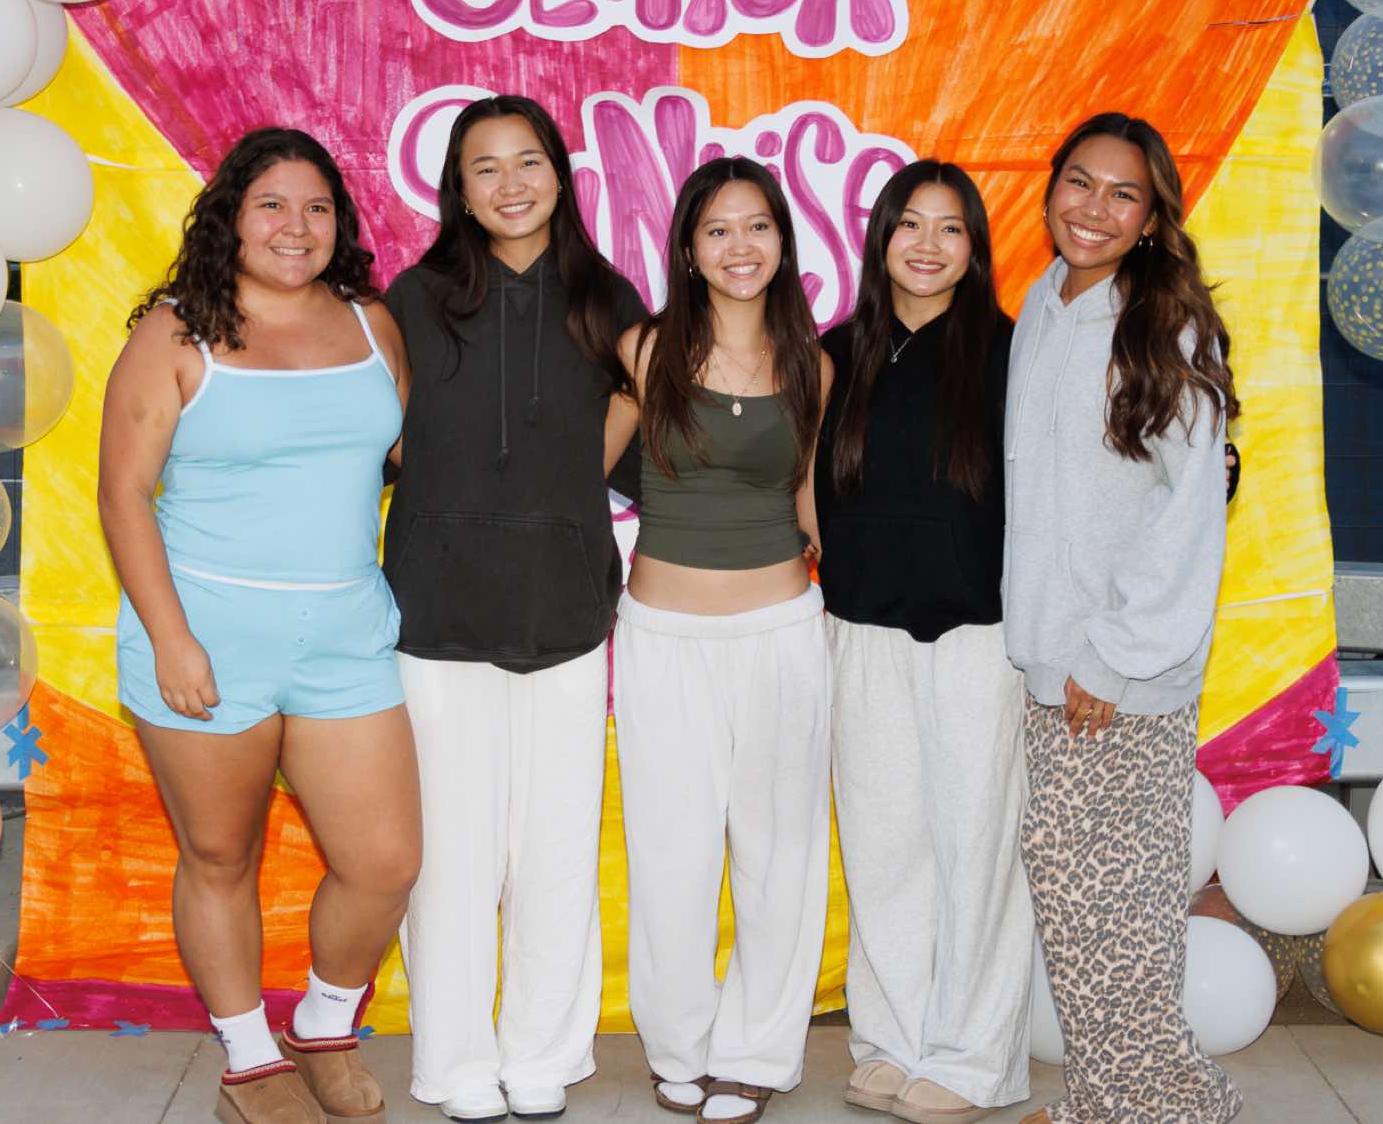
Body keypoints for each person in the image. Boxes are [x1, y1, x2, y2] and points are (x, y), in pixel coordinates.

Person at [98, 128, 419, 1124]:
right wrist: (172, 638)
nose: (295, 226)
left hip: (347, 636)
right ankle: (247, 1057)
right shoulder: (174, 333)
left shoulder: (371, 322)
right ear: (229, 218)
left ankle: (321, 1024)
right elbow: (122, 494)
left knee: (384, 862)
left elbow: (405, 460)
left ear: (339, 224)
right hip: (207, 637)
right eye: (271, 204)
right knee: (220, 856)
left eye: (317, 207)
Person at [382, 95, 649, 1124]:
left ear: (558, 173)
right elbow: (382, 432)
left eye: (527, 161)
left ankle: (542, 1053)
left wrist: (574, 479)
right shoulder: (415, 297)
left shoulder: (603, 294)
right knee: (451, 854)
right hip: (438, 612)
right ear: (457, 188)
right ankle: (455, 1062)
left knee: (556, 849)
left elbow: (642, 401)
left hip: (565, 609)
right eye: (484, 166)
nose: (509, 184)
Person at [1003, 114, 1242, 1124]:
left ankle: (1157, 1105)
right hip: (1052, 662)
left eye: (1122, 194)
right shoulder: (1043, 303)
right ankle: (1133, 1101)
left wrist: (1112, 658)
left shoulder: (1164, 327)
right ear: (1051, 187)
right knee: (1077, 903)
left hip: (1118, 675)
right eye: (1079, 182)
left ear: (1151, 219)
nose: (1093, 208)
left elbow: (1186, 514)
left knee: (1119, 912)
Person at [605, 156, 834, 1124]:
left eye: (757, 227)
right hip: (662, 638)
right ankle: (679, 1047)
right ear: (690, 250)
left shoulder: (813, 363)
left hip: (782, 633)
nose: (740, 246)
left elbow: (808, 499)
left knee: (780, 854)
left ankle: (757, 1051)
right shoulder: (644, 350)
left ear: (782, 241)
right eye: (717, 230)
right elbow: (577, 472)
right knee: (673, 852)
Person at [806, 161, 1031, 1124]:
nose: (928, 245)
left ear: (975, 247)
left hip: (984, 635)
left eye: (950, 227)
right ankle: (892, 1040)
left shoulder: (1015, 351)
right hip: (860, 628)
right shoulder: (835, 352)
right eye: (910, 224)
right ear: (881, 237)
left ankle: (975, 1059)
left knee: (976, 845)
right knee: (884, 842)